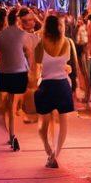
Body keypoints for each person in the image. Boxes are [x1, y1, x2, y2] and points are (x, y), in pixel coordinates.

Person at [0, 8, 32, 151]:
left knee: (7, 105)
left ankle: (11, 133)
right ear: (18, 20)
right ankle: (12, 134)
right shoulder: (23, 34)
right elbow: (29, 52)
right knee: (13, 105)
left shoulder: (0, 35)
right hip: (19, 73)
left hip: (4, 73)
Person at [34, 15, 74, 168]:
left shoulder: (40, 44)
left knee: (43, 124)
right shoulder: (67, 43)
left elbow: (37, 68)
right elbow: (65, 63)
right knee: (63, 122)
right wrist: (65, 69)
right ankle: (55, 155)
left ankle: (48, 149)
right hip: (63, 85)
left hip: (46, 86)